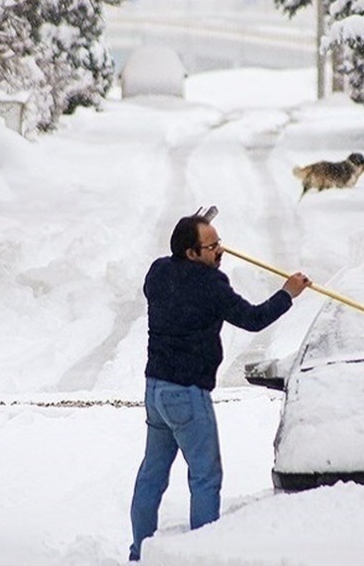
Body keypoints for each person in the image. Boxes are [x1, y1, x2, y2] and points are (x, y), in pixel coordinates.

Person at [129, 214, 311, 561]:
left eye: (219, 242)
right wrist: (288, 292)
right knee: (205, 477)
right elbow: (253, 318)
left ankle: (139, 552)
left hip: (156, 391)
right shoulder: (210, 285)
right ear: (191, 252)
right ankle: (204, 554)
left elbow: (174, 272)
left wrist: (196, 238)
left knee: (152, 474)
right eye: (212, 247)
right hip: (188, 395)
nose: (220, 251)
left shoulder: (157, 272)